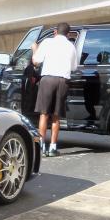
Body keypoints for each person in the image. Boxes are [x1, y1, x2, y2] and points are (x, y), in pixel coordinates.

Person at [31, 23, 78, 157]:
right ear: (68, 34)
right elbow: (74, 67)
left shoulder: (47, 42)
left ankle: (41, 147)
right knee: (56, 116)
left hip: (48, 80)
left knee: (44, 114)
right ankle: (53, 148)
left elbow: (36, 62)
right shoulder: (71, 46)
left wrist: (35, 49)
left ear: (55, 32)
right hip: (63, 81)